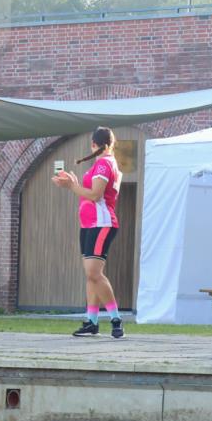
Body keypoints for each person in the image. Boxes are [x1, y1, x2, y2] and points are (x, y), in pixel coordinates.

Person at [52, 126, 125, 339]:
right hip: (89, 224)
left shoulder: (104, 163)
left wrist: (71, 186)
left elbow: (94, 195)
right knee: (90, 274)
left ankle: (116, 319)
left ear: (94, 144)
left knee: (94, 273)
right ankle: (91, 321)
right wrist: (71, 183)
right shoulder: (102, 164)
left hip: (100, 223)